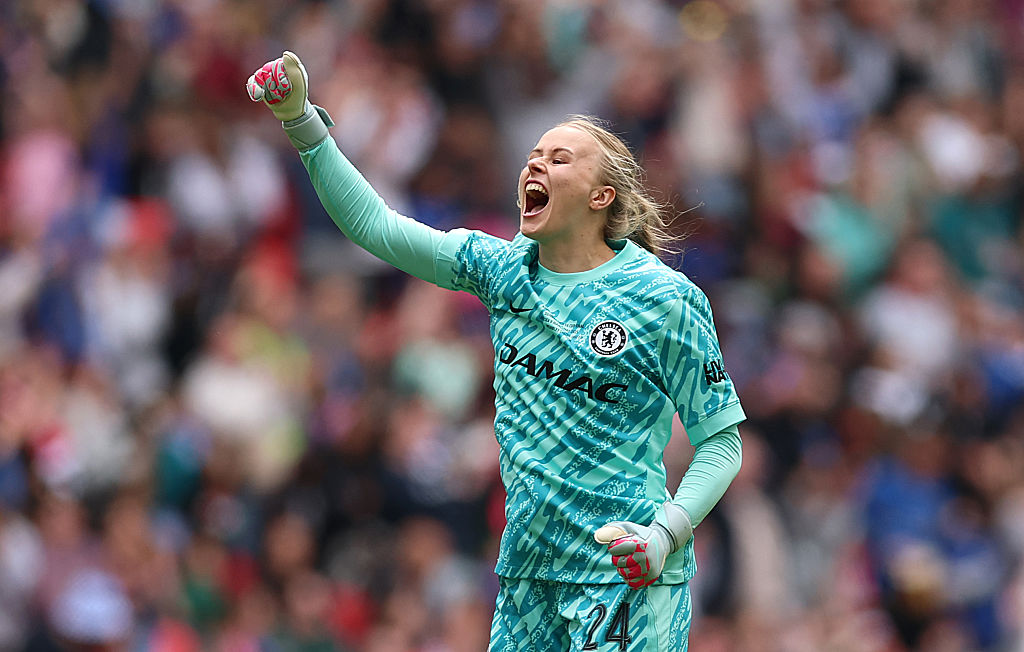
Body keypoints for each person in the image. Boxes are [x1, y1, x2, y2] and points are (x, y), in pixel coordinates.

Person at [247, 52, 744, 651]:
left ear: (601, 197)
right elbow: (375, 226)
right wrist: (301, 119)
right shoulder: (502, 270)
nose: (536, 162)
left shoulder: (663, 299)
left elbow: (722, 442)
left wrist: (664, 534)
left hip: (625, 575)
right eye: (534, 154)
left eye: (560, 158)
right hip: (527, 579)